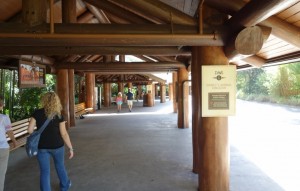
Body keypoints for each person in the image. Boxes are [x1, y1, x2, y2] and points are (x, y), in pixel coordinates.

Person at [28, 92, 74, 191]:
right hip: (58, 146)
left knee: (45, 172)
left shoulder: (37, 113)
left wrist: (39, 131)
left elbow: (30, 130)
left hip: (42, 147)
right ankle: (65, 186)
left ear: (44, 100)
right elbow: (64, 134)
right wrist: (70, 148)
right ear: (56, 102)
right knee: (60, 167)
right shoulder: (59, 115)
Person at [0, 96, 17, 191]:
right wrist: (14, 141)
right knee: (1, 174)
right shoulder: (4, 118)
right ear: (1, 105)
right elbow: (9, 131)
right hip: (2, 148)